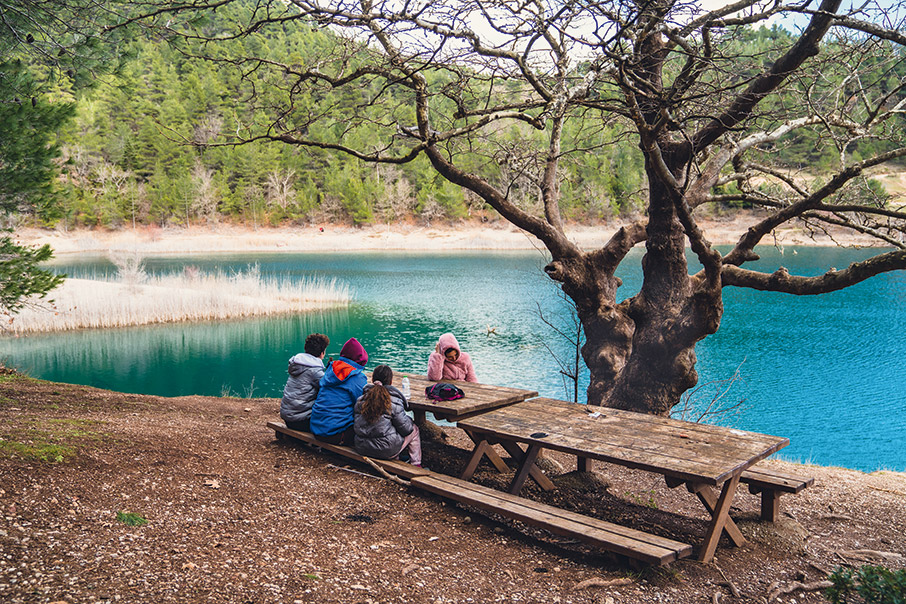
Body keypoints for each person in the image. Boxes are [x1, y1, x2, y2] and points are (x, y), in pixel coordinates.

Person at [353, 365, 422, 467]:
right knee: (414, 429)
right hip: (385, 450)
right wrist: (408, 419)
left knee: (385, 426)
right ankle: (416, 464)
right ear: (390, 382)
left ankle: (398, 456)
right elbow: (406, 430)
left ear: (372, 379)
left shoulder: (361, 399)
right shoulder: (393, 401)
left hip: (361, 447)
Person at [310, 337, 368, 445]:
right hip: (335, 433)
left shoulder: (331, 370)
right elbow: (363, 404)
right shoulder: (357, 377)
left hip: (317, 428)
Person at [279, 333, 329, 432]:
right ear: (322, 353)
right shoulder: (314, 370)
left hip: (288, 417)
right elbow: (328, 389)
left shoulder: (298, 364)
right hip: (301, 421)